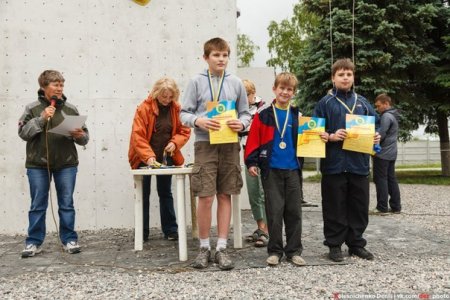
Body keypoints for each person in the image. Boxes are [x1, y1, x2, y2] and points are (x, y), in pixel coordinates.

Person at [180, 37, 251, 270]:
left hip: (230, 144)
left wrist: (242, 124)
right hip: (205, 144)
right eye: (216, 55)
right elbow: (183, 114)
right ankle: (203, 247)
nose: (221, 59)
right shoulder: (196, 82)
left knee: (225, 194)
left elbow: (245, 113)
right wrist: (198, 120)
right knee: (205, 196)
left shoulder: (236, 83)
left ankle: (221, 247)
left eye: (224, 55)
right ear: (206, 58)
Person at [245, 72, 328, 266]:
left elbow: (309, 139)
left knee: (294, 212)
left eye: (289, 89)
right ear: (274, 89)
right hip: (271, 170)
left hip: (292, 170)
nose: (285, 92)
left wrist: (320, 136)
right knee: (274, 212)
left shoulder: (298, 115)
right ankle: (274, 251)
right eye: (281, 88)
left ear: (293, 93)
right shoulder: (263, 115)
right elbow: (253, 141)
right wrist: (251, 162)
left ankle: (293, 251)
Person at [313, 58, 380, 262]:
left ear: (353, 77)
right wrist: (331, 136)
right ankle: (334, 245)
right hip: (334, 164)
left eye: (348, 74)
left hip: (358, 164)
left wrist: (377, 135)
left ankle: (356, 243)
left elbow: (375, 126)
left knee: (358, 206)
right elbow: (314, 132)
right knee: (334, 206)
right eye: (341, 74)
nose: (345, 77)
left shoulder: (363, 102)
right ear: (333, 78)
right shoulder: (324, 103)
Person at [18, 70, 89, 258]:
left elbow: (85, 138)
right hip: (37, 165)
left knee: (66, 203)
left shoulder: (71, 109)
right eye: (55, 85)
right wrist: (41, 119)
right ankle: (33, 242)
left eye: (61, 85)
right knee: (38, 205)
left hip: (67, 164)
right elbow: (23, 133)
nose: (60, 88)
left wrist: (80, 135)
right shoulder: (32, 108)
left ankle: (69, 239)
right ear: (44, 86)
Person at [128, 77, 191, 241]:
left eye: (171, 97)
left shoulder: (176, 108)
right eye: (164, 97)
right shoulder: (143, 108)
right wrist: (148, 157)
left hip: (165, 158)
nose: (167, 100)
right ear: (156, 93)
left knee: (165, 192)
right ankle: (142, 232)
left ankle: (170, 230)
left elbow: (184, 131)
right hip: (143, 158)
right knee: (143, 193)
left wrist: (174, 143)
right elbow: (138, 136)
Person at [240, 79, 268, 247]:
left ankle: (267, 229)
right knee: (253, 193)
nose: (243, 99)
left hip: (262, 155)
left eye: (246, 96)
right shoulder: (238, 111)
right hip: (247, 153)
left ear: (253, 94)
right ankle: (260, 226)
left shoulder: (263, 108)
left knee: (264, 192)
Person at [372, 93, 401, 214]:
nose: (377, 109)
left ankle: (382, 207)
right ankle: (396, 207)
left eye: (378, 106)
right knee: (391, 179)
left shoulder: (386, 116)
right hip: (392, 153)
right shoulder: (393, 116)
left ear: (386, 104)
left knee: (381, 179)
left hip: (382, 154)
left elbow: (380, 135)